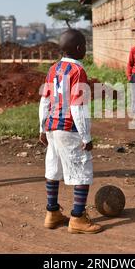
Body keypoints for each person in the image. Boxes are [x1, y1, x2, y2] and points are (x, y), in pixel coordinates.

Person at [39, 29, 102, 234]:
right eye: (84, 45)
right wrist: (86, 136)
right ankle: (77, 218)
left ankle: (52, 213)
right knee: (83, 171)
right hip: (70, 128)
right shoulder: (78, 72)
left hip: (52, 127)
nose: (85, 49)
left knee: (54, 168)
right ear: (78, 48)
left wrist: (42, 127)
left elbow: (45, 101)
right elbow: (78, 107)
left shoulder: (53, 69)